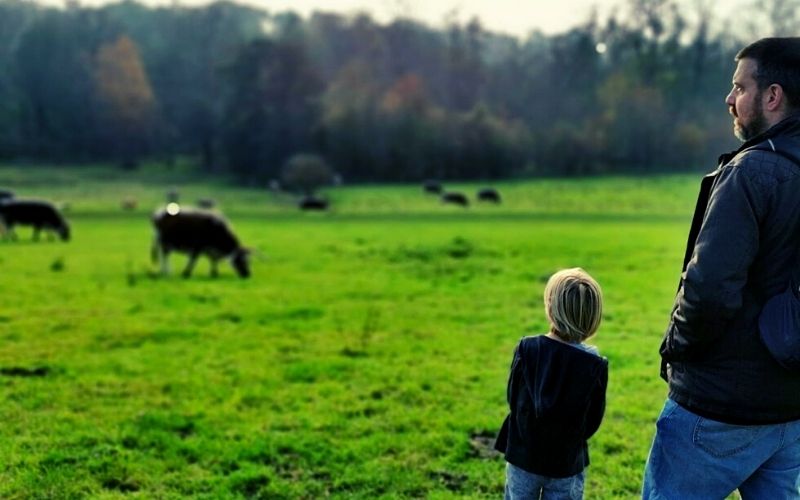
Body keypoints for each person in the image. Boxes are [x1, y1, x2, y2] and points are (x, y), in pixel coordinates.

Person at [642, 37, 800, 499]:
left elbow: (709, 289)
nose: (730, 100)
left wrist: (677, 347)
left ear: (772, 97)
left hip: (719, 408)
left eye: (739, 88)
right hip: (789, 408)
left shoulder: (751, 172)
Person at [495, 268, 608, 500]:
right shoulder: (595, 364)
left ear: (550, 307)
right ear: (593, 317)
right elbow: (593, 420)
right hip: (566, 462)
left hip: (522, 455)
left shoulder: (526, 348)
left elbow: (513, 398)